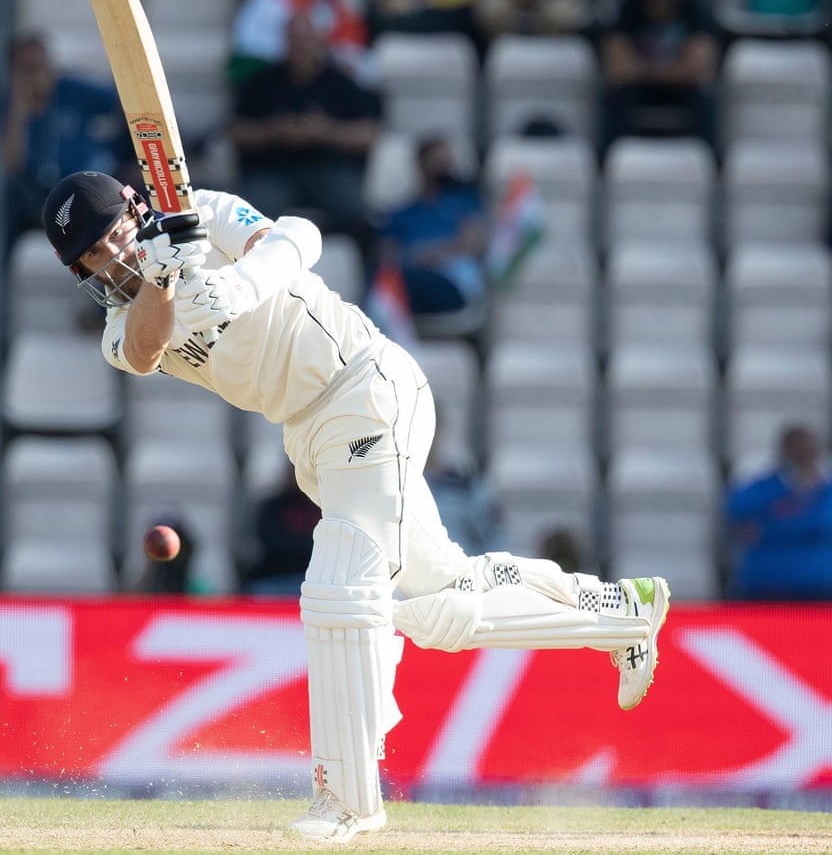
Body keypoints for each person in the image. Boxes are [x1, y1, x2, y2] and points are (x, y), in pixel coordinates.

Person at [37, 169, 671, 842]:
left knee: (339, 591)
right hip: (310, 436)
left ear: (136, 211)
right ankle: (619, 614)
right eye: (92, 260)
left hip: (364, 383)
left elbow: (301, 236)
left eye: (110, 240)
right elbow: (143, 348)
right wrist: (165, 275)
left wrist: (236, 281)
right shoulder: (123, 319)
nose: (109, 261)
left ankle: (348, 799)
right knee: (438, 603)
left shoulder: (200, 213)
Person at [229, 11, 381, 257]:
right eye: (294, 38)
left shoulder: (339, 83)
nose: (300, 45)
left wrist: (325, 131)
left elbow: (367, 134)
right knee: (248, 218)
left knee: (357, 214)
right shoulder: (261, 82)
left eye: (305, 38)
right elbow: (236, 132)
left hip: (328, 171)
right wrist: (274, 130)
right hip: (273, 172)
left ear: (317, 41)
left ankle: (358, 279)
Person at [0, 33, 134, 248]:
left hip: (83, 188)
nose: (36, 76)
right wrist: (19, 113)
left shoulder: (70, 90)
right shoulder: (9, 105)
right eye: (27, 70)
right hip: (38, 197)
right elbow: (12, 163)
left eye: (39, 66)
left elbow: (123, 101)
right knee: (3, 197)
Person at [598, 0, 718, 156]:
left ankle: (710, 164)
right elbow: (616, 67)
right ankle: (607, 162)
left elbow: (697, 69)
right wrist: (669, 71)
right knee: (616, 96)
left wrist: (644, 70)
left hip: (680, 91)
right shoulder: (629, 12)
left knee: (704, 99)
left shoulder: (697, 16)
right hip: (639, 90)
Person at [372, 135, 488, 318]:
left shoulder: (465, 203)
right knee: (387, 283)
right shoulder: (400, 213)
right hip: (410, 279)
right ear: (421, 164)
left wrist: (429, 255)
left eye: (448, 160)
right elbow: (387, 256)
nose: (445, 166)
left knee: (403, 285)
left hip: (453, 284)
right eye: (437, 160)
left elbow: (472, 245)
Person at [726, 423, 832, 600]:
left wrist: (773, 522)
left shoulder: (826, 492)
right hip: (765, 588)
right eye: (798, 455)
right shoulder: (763, 488)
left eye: (807, 454)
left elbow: (824, 524)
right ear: (785, 454)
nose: (803, 460)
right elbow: (736, 510)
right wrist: (786, 489)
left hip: (820, 591)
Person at [229, 0, 372, 86]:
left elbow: (349, 45)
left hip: (319, 72)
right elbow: (251, 42)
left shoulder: (332, 2)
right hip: (273, 69)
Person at [242, 464, 322, 596]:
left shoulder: (321, 506)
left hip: (313, 578)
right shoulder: (272, 505)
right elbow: (270, 541)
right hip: (276, 576)